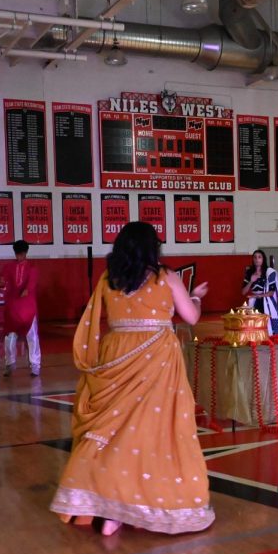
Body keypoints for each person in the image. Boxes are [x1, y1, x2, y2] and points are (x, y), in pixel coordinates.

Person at [50, 222, 215, 536]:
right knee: (154, 435)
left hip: (116, 356)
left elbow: (92, 321)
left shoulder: (109, 280)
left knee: (111, 433)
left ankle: (109, 509)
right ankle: (131, 508)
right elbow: (191, 318)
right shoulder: (166, 276)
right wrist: (195, 297)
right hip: (157, 358)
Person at [0, 240, 41, 377]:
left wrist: (27, 290)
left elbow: (31, 284)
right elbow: (2, 281)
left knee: (32, 336)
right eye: (17, 254)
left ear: (26, 253)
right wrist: (1, 282)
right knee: (9, 338)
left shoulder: (32, 268)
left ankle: (35, 365)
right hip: (13, 306)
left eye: (21, 254)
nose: (19, 256)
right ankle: (10, 364)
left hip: (28, 307)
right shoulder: (8, 267)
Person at [241, 249, 278, 337]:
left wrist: (259, 296)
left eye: (259, 257)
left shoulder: (269, 272)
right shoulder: (249, 272)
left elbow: (271, 292)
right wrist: (251, 281)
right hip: (254, 303)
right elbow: (243, 292)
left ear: (263, 259)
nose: (257, 259)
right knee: (254, 325)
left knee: (271, 326)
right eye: (255, 257)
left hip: (267, 302)